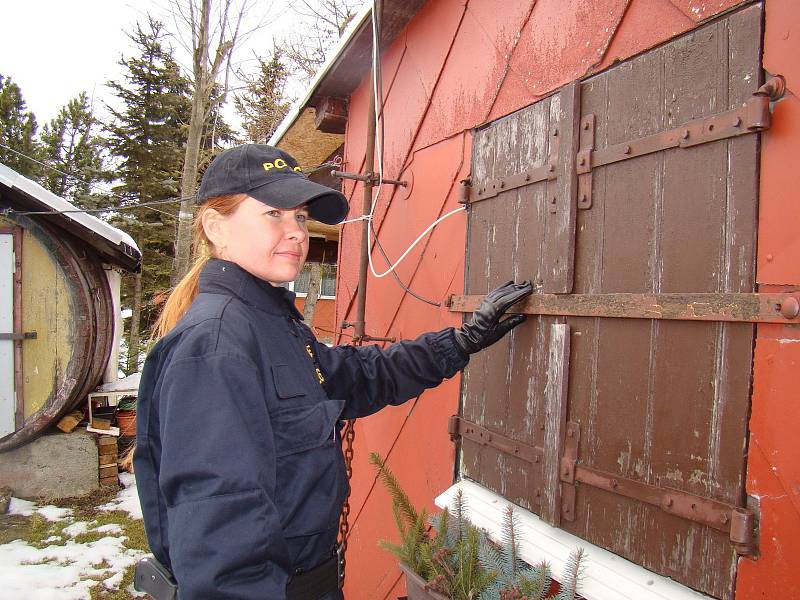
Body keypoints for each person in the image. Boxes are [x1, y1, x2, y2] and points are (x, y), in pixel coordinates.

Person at [133, 144, 533, 599]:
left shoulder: (270, 323)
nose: (296, 233)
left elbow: (359, 375)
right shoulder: (218, 344)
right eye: (274, 215)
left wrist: (461, 342)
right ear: (214, 226)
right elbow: (221, 531)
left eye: (301, 218)